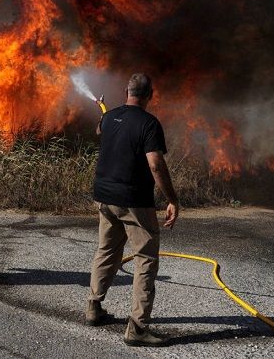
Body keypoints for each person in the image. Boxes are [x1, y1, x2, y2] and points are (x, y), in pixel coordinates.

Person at [86, 73, 180, 347]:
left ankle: (93, 307)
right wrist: (172, 199)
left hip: (104, 198)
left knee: (106, 251)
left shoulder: (110, 117)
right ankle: (137, 328)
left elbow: (100, 131)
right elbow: (155, 164)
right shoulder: (149, 124)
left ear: (126, 90)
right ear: (151, 94)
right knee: (146, 259)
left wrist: (107, 113)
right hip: (134, 202)